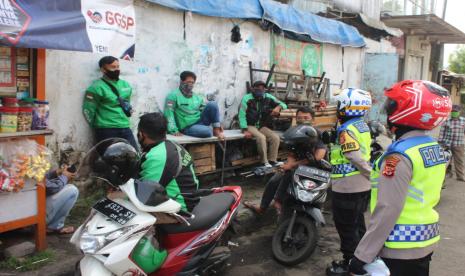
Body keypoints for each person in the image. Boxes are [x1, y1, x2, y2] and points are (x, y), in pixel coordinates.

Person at [348, 80, 452, 276]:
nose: (388, 112)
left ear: (408, 111)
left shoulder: (399, 157)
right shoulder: (433, 147)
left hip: (399, 246)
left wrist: (362, 256)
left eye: (392, 106)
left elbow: (388, 209)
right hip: (425, 239)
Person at [243, 106, 326, 214]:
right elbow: (291, 153)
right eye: (300, 118)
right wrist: (288, 164)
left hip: (315, 168)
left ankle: (279, 201)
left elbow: (318, 157)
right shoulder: (294, 133)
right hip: (298, 166)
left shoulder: (318, 134)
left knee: (289, 173)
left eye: (306, 118)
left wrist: (292, 165)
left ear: (313, 120)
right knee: (274, 180)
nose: (303, 120)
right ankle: (262, 208)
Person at [326, 88, 372, 276]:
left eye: (338, 104)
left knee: (346, 226)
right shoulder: (361, 125)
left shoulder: (347, 129)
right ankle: (363, 259)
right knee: (358, 224)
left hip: (347, 185)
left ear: (346, 107)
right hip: (361, 186)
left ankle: (350, 263)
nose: (336, 108)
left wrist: (371, 173)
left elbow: (354, 156)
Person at [138, 112, 199, 211]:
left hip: (180, 207)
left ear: (141, 134)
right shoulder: (173, 145)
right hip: (191, 198)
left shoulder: (156, 156)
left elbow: (145, 195)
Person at [82, 56, 138, 149]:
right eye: (113, 67)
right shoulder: (96, 87)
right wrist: (99, 125)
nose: (116, 69)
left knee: (133, 154)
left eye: (118, 66)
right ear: (103, 70)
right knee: (108, 158)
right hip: (106, 130)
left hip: (125, 126)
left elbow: (127, 103)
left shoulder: (126, 85)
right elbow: (88, 110)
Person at [239, 80, 288, 167]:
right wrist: (244, 129)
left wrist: (278, 107)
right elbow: (241, 115)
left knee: (275, 137)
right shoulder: (247, 98)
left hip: (261, 125)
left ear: (264, 89)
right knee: (261, 137)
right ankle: (264, 162)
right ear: (253, 89)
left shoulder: (268, 97)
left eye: (262, 88)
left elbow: (284, 104)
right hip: (250, 125)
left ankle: (273, 160)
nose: (260, 90)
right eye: (257, 88)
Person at [164, 71, 224, 139]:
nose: (190, 84)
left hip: (200, 121)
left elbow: (206, 110)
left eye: (192, 82)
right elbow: (169, 114)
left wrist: (218, 124)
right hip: (188, 126)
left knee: (212, 104)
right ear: (181, 81)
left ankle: (216, 131)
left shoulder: (196, 97)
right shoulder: (172, 96)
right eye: (188, 82)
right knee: (207, 132)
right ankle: (207, 129)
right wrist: (173, 130)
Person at [45, 165, 79, 234]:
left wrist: (56, 173)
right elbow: (51, 188)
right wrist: (65, 177)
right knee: (72, 190)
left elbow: (41, 180)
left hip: (22, 212)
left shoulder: (19, 165)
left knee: (65, 187)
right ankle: (53, 226)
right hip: (32, 216)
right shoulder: (27, 164)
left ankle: (52, 226)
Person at [438, 104, 465, 182]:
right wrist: (440, 143)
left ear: (459, 112)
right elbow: (442, 132)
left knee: (459, 161)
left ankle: (460, 176)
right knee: (446, 161)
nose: (454, 113)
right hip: (447, 144)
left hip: (459, 144)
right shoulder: (446, 121)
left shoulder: (463, 121)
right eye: (452, 111)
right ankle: (447, 174)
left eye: (456, 111)